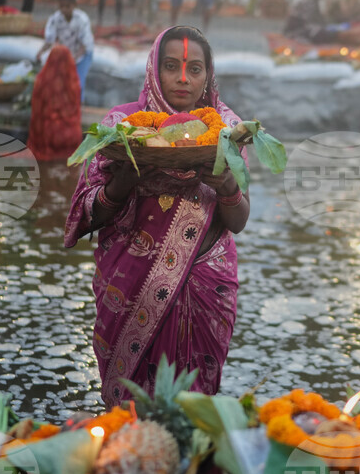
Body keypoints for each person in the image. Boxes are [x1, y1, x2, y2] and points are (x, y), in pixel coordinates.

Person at [64, 26, 250, 404]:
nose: (183, 78)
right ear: (153, 69)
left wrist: (227, 185)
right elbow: (86, 213)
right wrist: (121, 185)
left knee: (193, 419)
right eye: (171, 66)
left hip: (204, 285)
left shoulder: (228, 133)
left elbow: (239, 220)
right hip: (129, 287)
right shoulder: (122, 128)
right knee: (128, 420)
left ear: (207, 76)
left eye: (194, 69)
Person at [37, 0, 94, 102]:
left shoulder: (82, 19)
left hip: (82, 54)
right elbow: (49, 40)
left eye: (68, 6)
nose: (64, 10)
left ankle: (78, 107)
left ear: (74, 6)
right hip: (67, 54)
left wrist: (74, 58)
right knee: (59, 82)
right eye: (62, 7)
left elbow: (84, 44)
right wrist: (40, 53)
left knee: (77, 83)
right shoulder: (55, 19)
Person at [28, 45, 83, 161]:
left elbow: (37, 111)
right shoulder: (73, 82)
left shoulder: (42, 81)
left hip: (48, 138)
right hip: (71, 138)